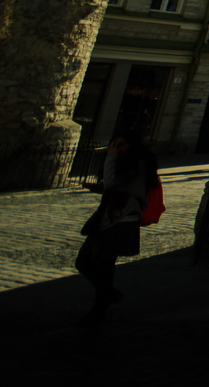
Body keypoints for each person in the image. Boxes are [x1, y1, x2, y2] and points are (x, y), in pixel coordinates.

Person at [74, 130, 159, 327]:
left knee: (101, 264)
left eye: (122, 145)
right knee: (87, 262)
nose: (117, 149)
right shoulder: (127, 163)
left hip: (122, 220)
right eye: (115, 145)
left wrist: (111, 158)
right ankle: (105, 298)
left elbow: (113, 184)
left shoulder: (138, 163)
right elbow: (112, 186)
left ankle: (101, 306)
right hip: (109, 218)